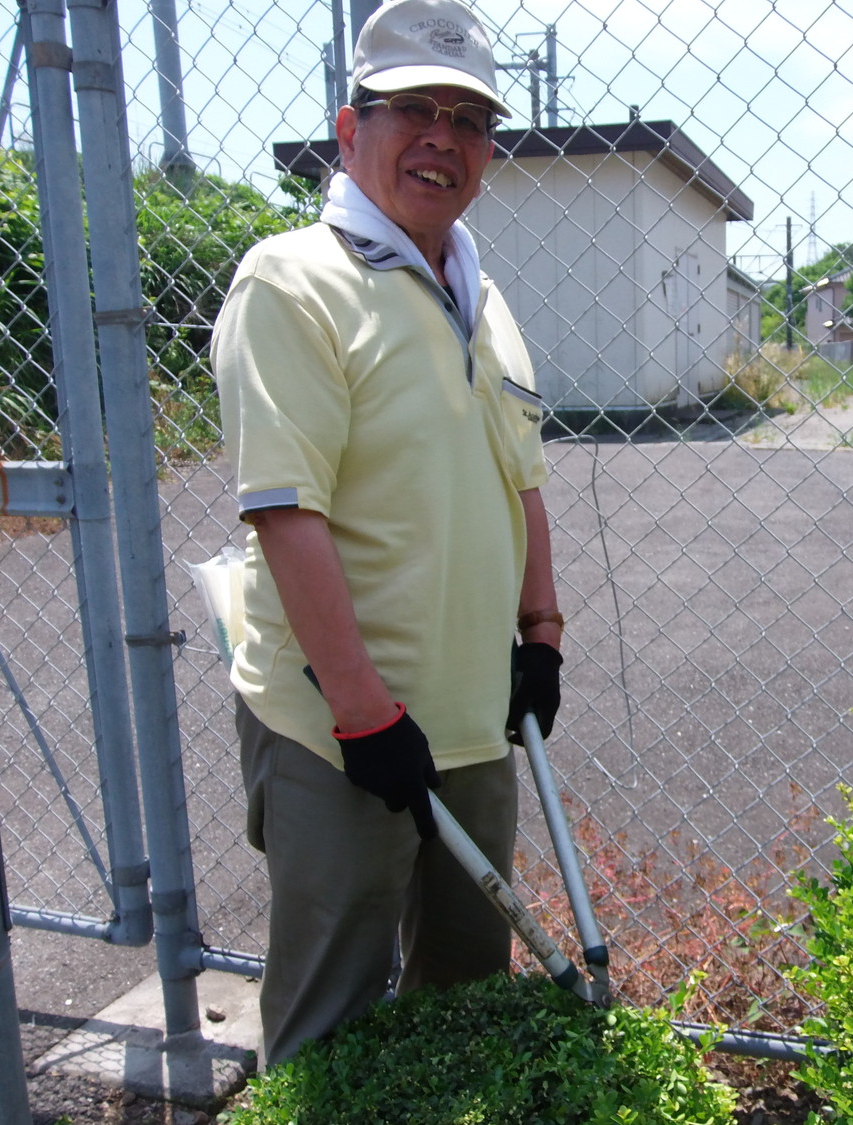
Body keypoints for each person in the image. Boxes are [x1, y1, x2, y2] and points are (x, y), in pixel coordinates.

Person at [211, 0, 563, 1067]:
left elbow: (521, 477)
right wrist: (364, 715)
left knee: (467, 1008)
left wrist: (542, 636)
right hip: (339, 731)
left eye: (470, 120)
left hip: (474, 721)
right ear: (348, 125)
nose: (443, 139)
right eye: (415, 109)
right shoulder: (292, 282)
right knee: (333, 1027)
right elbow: (286, 509)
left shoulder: (484, 297)